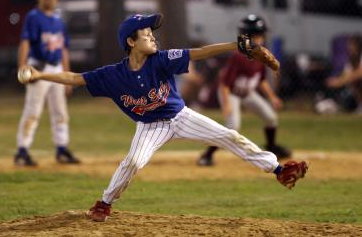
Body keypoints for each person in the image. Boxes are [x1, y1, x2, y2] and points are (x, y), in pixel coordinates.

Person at [18, 13, 308, 222]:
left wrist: (236, 45)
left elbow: (202, 52)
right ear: (131, 41)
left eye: (152, 33)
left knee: (228, 135)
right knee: (133, 161)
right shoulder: (112, 76)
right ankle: (104, 203)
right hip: (150, 127)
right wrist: (39, 74)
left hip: (180, 116)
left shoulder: (162, 58)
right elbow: (75, 77)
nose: (152, 37)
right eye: (146, 35)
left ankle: (278, 170)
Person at [198, 15, 291, 166]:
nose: (260, 39)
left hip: (247, 93)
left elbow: (260, 80)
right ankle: (206, 155)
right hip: (231, 93)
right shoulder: (239, 57)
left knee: (271, 118)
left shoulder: (261, 54)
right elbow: (224, 84)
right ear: (247, 37)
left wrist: (273, 97)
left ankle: (272, 147)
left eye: (261, 36)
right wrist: (227, 105)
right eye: (256, 36)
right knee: (232, 127)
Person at [14, 0, 80, 166]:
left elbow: (64, 49)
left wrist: (68, 76)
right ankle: (22, 150)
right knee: (33, 110)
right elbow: (25, 42)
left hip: (57, 68)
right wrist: (22, 65)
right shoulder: (34, 16)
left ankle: (61, 148)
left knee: (60, 111)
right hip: (39, 68)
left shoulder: (58, 20)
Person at [327, 35, 362, 113]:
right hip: (354, 91)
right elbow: (346, 75)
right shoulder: (350, 60)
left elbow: (360, 73)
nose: (349, 48)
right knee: (353, 83)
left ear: (358, 45)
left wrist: (339, 81)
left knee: (357, 80)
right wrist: (336, 80)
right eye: (348, 45)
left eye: (351, 45)